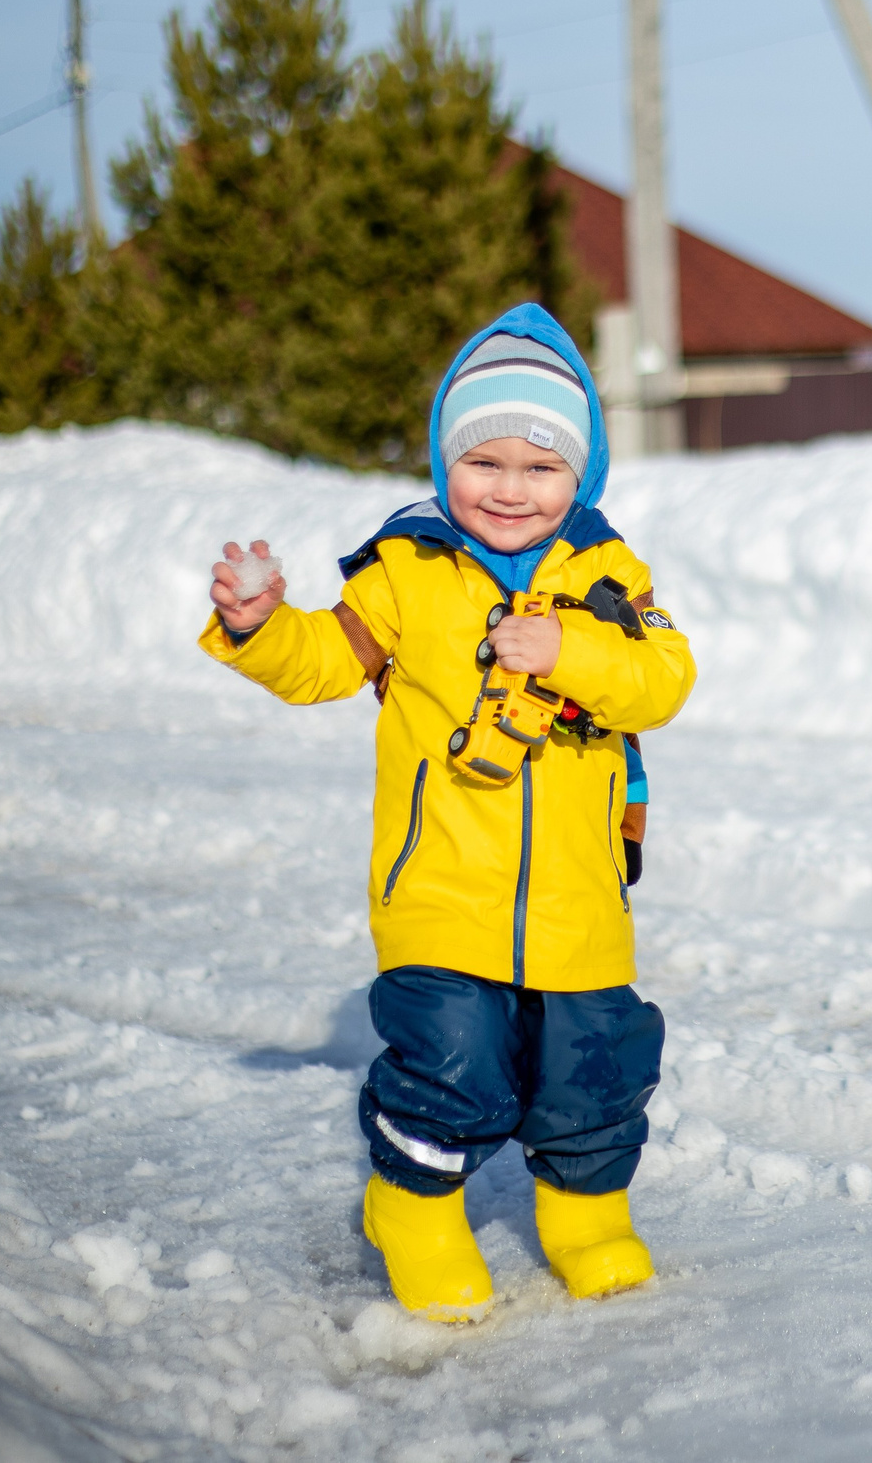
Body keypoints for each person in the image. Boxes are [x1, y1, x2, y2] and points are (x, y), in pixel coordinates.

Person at [199, 304, 696, 1319]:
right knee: (454, 1063)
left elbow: (662, 680)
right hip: (439, 889)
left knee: (593, 1066)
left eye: (540, 467)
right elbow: (325, 661)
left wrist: (570, 651)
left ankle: (586, 1216)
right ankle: (413, 1209)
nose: (511, 488)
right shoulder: (405, 569)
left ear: (580, 474)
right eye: (485, 462)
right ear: (444, 460)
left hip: (578, 899)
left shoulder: (611, 573)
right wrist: (258, 626)